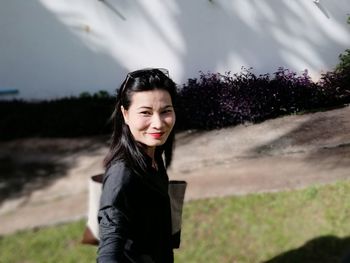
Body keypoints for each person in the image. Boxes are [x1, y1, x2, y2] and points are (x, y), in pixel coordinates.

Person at [97, 68, 177, 262]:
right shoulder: (122, 173)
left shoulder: (153, 152)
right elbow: (110, 245)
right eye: (145, 113)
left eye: (166, 111)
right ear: (125, 114)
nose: (158, 124)